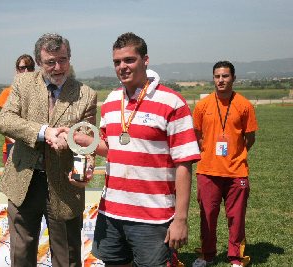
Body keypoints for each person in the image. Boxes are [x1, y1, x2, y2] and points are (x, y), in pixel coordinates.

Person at [71, 32, 201, 267]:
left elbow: (184, 163)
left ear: (145, 60)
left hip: (153, 217)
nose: (122, 67)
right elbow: (111, 149)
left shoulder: (172, 102)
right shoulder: (111, 101)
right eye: (117, 62)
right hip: (111, 212)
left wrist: (180, 218)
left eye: (129, 60)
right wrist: (79, 139)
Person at [0, 33, 97, 267]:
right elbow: (5, 121)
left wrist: (87, 165)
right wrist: (44, 131)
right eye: (50, 62)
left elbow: (89, 142)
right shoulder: (23, 83)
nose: (58, 67)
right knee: (21, 256)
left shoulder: (86, 94)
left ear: (70, 58)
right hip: (24, 182)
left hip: (65, 186)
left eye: (63, 60)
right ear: (39, 62)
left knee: (67, 258)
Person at [192, 61, 258, 267]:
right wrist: (209, 152)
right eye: (217, 76)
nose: (221, 80)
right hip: (208, 171)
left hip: (237, 171)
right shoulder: (202, 106)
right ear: (213, 78)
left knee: (236, 218)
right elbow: (197, 135)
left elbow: (250, 138)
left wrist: (236, 155)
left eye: (225, 76)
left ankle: (236, 258)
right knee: (207, 217)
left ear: (233, 78)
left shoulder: (244, 105)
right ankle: (207, 254)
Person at [0, 54, 35, 163]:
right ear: (17, 70)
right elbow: (4, 125)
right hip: (12, 147)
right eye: (22, 68)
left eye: (30, 68)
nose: (26, 71)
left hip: (34, 148)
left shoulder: (38, 94)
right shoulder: (7, 93)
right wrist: (17, 143)